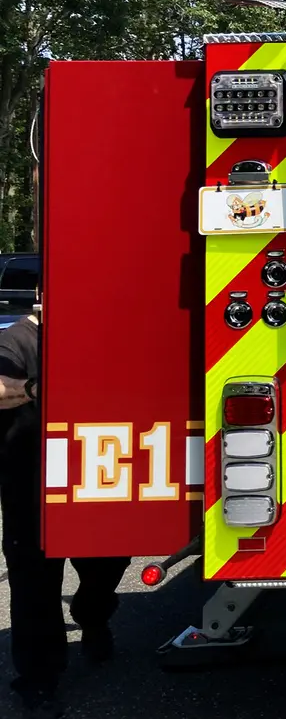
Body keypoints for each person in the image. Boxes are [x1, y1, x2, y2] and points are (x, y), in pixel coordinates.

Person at [0, 299, 131, 715]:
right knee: (34, 588)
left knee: (108, 563)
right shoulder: (17, 340)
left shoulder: (93, 338)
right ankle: (38, 681)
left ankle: (92, 616)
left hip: (92, 480)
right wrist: (36, 388)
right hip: (31, 489)